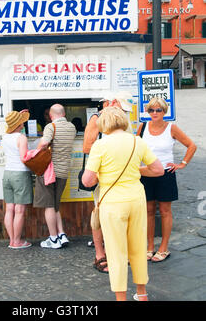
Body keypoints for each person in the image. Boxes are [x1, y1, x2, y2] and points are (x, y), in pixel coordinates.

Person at [82, 107, 164, 301]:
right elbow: (158, 170)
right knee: (137, 246)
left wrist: (102, 175)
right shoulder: (138, 141)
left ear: (104, 123)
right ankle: (142, 293)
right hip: (136, 198)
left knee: (116, 250)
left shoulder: (100, 145)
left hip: (113, 202)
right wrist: (136, 171)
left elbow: (87, 181)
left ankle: (121, 297)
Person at [137, 98, 197, 263]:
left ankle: (164, 247)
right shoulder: (142, 127)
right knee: (148, 210)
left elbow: (191, 145)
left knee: (165, 211)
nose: (155, 113)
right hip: (146, 173)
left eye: (158, 110)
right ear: (147, 112)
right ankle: (150, 247)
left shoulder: (171, 127)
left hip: (165, 173)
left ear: (164, 111)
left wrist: (182, 164)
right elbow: (135, 147)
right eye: (151, 110)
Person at [34, 104, 76, 249]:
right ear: (64, 113)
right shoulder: (72, 127)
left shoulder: (51, 127)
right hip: (64, 172)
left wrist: (37, 150)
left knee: (49, 206)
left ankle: (52, 239)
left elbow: (44, 143)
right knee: (56, 205)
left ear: (51, 115)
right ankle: (61, 234)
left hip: (50, 172)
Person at [83, 91, 114, 273]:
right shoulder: (97, 119)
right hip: (101, 178)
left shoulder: (120, 121)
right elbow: (87, 147)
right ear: (107, 103)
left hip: (117, 181)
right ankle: (100, 254)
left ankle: (113, 253)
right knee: (100, 215)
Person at [2, 110, 33, 249]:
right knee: (19, 210)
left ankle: (11, 240)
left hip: (7, 173)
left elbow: (9, 127)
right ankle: (17, 241)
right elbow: (24, 158)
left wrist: (16, 117)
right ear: (19, 123)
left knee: (9, 209)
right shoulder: (21, 138)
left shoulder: (5, 137)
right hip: (20, 174)